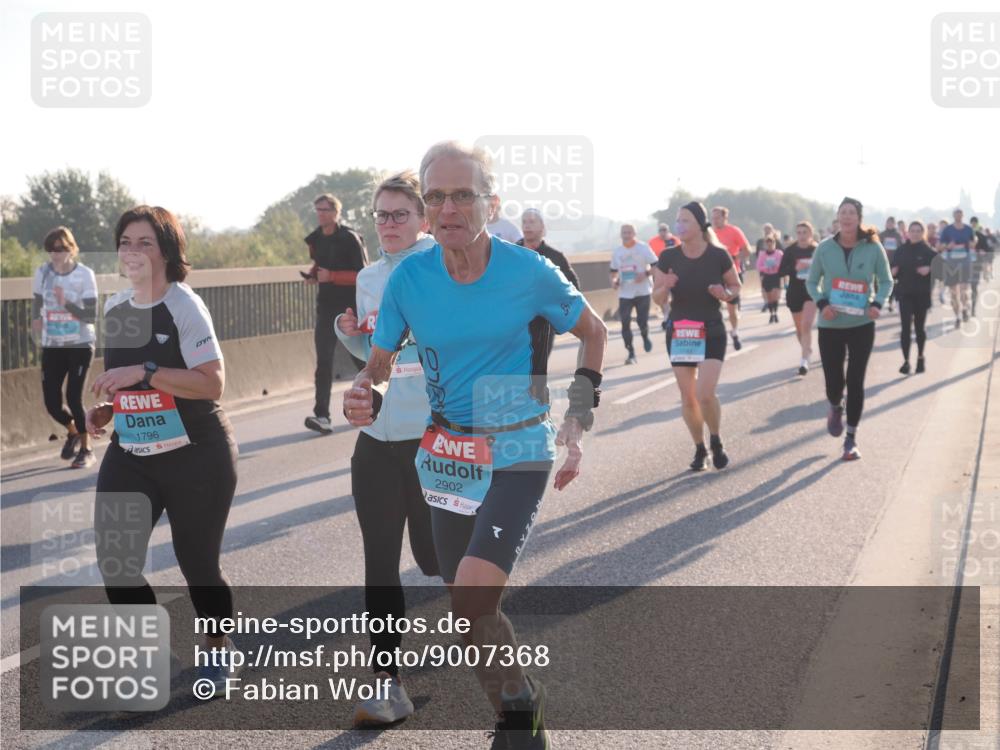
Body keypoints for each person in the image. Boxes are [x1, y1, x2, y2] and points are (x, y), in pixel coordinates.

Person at [344, 141, 608, 749]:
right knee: (467, 606)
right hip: (448, 454)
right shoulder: (410, 277)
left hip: (517, 445)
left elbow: (592, 332)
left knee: (471, 594)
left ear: (490, 202)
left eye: (462, 195)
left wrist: (580, 413)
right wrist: (364, 391)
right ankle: (518, 700)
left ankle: (517, 725)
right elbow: (379, 364)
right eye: (436, 196)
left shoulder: (528, 271)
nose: (448, 208)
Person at [85, 205, 240, 697]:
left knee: (197, 564)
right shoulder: (115, 308)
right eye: (125, 242)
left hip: (197, 451)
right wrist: (109, 407)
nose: (133, 252)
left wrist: (146, 372)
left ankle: (217, 651)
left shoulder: (183, 305)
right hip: (133, 449)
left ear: (167, 252)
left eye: (144, 243)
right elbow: (126, 382)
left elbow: (212, 383)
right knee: (116, 560)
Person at [334, 172, 440, 726]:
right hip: (376, 438)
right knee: (380, 561)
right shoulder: (369, 275)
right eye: (380, 214)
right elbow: (375, 358)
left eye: (400, 214)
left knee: (432, 558)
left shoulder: (441, 268)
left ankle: (487, 629)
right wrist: (349, 332)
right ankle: (387, 682)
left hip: (431, 439)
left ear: (423, 219)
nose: (388, 224)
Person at [653, 201, 741, 471]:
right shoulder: (668, 258)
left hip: (712, 329)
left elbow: (735, 287)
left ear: (700, 225)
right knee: (688, 397)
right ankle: (700, 448)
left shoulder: (718, 255)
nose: (680, 225)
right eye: (678, 221)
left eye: (686, 221)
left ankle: (716, 440)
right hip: (681, 332)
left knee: (705, 394)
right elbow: (657, 299)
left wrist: (723, 294)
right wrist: (665, 287)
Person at [806, 197, 892, 461]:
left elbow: (886, 281)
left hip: (861, 324)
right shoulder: (824, 248)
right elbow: (812, 282)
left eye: (851, 213)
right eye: (843, 212)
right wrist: (822, 304)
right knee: (835, 382)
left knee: (856, 381)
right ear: (837, 217)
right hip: (831, 323)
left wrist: (877, 304)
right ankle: (835, 405)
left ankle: (851, 439)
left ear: (859, 218)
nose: (846, 217)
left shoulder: (873, 248)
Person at [32, 226, 99, 468]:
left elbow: (91, 314)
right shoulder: (43, 273)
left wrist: (65, 303)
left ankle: (87, 449)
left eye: (60, 248)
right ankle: (72, 432)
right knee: (51, 401)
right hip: (53, 344)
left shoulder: (84, 274)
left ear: (71, 248)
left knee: (73, 396)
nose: (55, 254)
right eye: (50, 249)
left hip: (80, 343)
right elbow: (37, 303)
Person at [303, 194, 368, 434]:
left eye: (325, 209)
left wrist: (332, 277)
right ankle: (322, 416)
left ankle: (380, 402)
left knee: (361, 361)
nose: (320, 214)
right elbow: (320, 263)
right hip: (326, 308)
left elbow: (363, 275)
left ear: (335, 212)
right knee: (323, 362)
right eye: (317, 209)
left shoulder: (349, 238)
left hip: (351, 309)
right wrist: (313, 275)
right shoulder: (316, 239)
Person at [518, 208, 582, 384]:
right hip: (513, 321)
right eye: (524, 222)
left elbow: (572, 287)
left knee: (537, 372)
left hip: (542, 323)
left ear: (542, 228)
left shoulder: (555, 257)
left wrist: (564, 315)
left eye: (532, 222)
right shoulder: (510, 253)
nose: (527, 225)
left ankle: (537, 406)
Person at [892, 221, 935, 374]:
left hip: (921, 294)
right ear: (908, 233)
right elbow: (891, 268)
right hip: (904, 294)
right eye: (912, 230)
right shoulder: (901, 250)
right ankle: (906, 361)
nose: (915, 233)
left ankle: (920, 358)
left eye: (918, 231)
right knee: (905, 328)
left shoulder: (928, 251)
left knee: (919, 328)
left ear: (922, 233)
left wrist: (929, 268)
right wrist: (893, 271)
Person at [610, 224, 658, 364]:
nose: (627, 235)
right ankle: (631, 353)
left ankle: (645, 335)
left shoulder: (643, 248)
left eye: (629, 232)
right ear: (621, 235)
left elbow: (656, 265)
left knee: (642, 321)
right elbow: (612, 272)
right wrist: (614, 282)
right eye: (624, 232)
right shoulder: (617, 252)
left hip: (643, 291)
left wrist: (646, 274)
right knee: (625, 323)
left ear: (634, 233)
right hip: (625, 293)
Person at [779, 221, 819, 376]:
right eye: (799, 233)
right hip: (795, 291)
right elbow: (780, 271)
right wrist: (794, 269)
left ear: (811, 233)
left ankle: (804, 360)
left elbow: (826, 270)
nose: (802, 236)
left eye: (805, 232)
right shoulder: (790, 251)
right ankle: (806, 349)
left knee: (807, 325)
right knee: (799, 329)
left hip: (811, 291)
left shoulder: (817, 250)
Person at [710, 206, 751, 351]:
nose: (714, 220)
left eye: (717, 217)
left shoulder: (734, 231)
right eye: (712, 217)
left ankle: (734, 331)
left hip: (732, 273)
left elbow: (747, 250)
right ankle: (715, 336)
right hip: (714, 274)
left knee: (732, 309)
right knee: (712, 307)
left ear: (724, 218)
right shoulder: (709, 232)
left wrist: (734, 257)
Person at [940, 208, 975, 326]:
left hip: (965, 263)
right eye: (956, 214)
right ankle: (957, 317)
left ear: (963, 215)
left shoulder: (968, 229)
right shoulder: (947, 230)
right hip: (951, 265)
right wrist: (947, 246)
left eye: (960, 214)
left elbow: (973, 242)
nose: (958, 216)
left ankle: (964, 309)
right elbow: (940, 246)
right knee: (954, 293)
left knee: (964, 291)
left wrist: (972, 243)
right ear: (953, 216)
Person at [756, 236, 784, 323]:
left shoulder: (779, 253)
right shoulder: (762, 254)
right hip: (767, 276)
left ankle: (775, 313)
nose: (770, 246)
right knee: (769, 297)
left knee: (776, 296)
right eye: (768, 245)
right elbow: (758, 266)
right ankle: (771, 314)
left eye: (771, 244)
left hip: (776, 276)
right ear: (765, 245)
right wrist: (766, 267)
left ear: (774, 244)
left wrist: (776, 265)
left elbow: (782, 264)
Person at [879, 217, 903, 313]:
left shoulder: (897, 235)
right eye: (888, 223)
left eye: (891, 223)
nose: (889, 225)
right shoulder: (881, 235)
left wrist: (899, 263)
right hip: (883, 262)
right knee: (883, 282)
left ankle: (891, 302)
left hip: (894, 262)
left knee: (894, 282)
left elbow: (901, 249)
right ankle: (884, 300)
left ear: (894, 224)